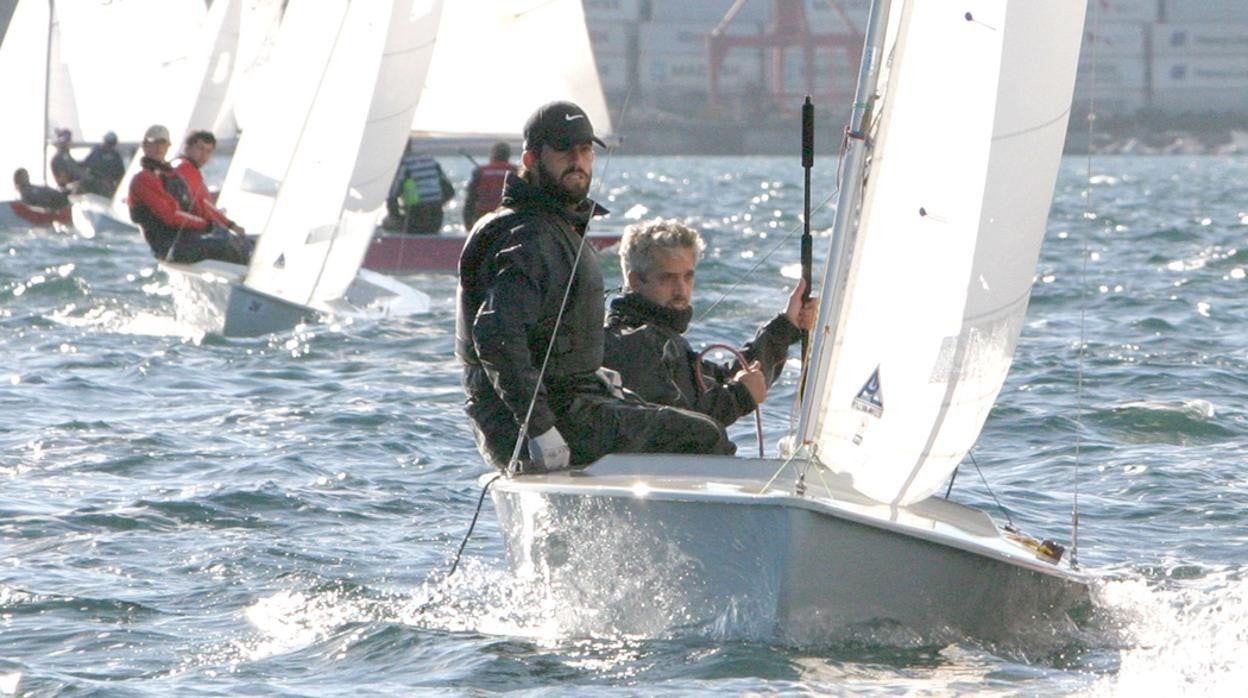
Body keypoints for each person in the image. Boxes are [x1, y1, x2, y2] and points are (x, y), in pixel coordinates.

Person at [457, 100, 734, 473]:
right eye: (563, 149)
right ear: (529, 159)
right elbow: (495, 336)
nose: (578, 160)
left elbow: (546, 342)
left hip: (567, 403)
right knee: (704, 436)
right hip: (538, 422)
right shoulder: (528, 236)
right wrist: (539, 429)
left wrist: (591, 373)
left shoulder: (552, 226)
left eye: (585, 149)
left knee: (682, 420)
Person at [604, 219, 817, 427]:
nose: (681, 290)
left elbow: (718, 381)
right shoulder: (630, 343)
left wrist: (787, 324)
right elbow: (673, 426)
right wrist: (739, 396)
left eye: (688, 277)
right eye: (668, 278)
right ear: (635, 281)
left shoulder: (663, 337)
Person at [127, 124, 252, 265]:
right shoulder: (144, 178)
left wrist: (223, 226)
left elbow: (197, 205)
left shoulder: (167, 173)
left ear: (168, 146)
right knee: (226, 245)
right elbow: (171, 215)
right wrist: (210, 225)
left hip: (183, 240)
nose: (158, 148)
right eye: (153, 143)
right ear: (144, 146)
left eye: (162, 144)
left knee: (234, 242)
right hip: (169, 247)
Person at [172, 130, 246, 236]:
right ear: (187, 148)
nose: (203, 155)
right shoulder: (186, 168)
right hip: (187, 231)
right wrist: (231, 225)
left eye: (208, 151)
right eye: (200, 148)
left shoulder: (177, 165)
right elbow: (203, 203)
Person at [385, 141, 454, 234]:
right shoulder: (430, 160)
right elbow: (450, 191)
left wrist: (396, 216)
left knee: (387, 223)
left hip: (415, 217)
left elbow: (392, 196)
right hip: (436, 217)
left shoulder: (404, 164)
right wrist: (435, 203)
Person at [462, 141, 518, 229]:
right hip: (509, 218)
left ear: (492, 154)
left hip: (483, 216)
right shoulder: (516, 171)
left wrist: (468, 224)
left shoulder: (481, 171)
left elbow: (470, 199)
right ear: (508, 155)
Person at [80, 131, 127, 197]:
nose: (108, 146)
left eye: (111, 143)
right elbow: (85, 165)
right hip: (93, 184)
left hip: (106, 186)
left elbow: (121, 175)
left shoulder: (116, 156)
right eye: (108, 143)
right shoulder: (96, 151)